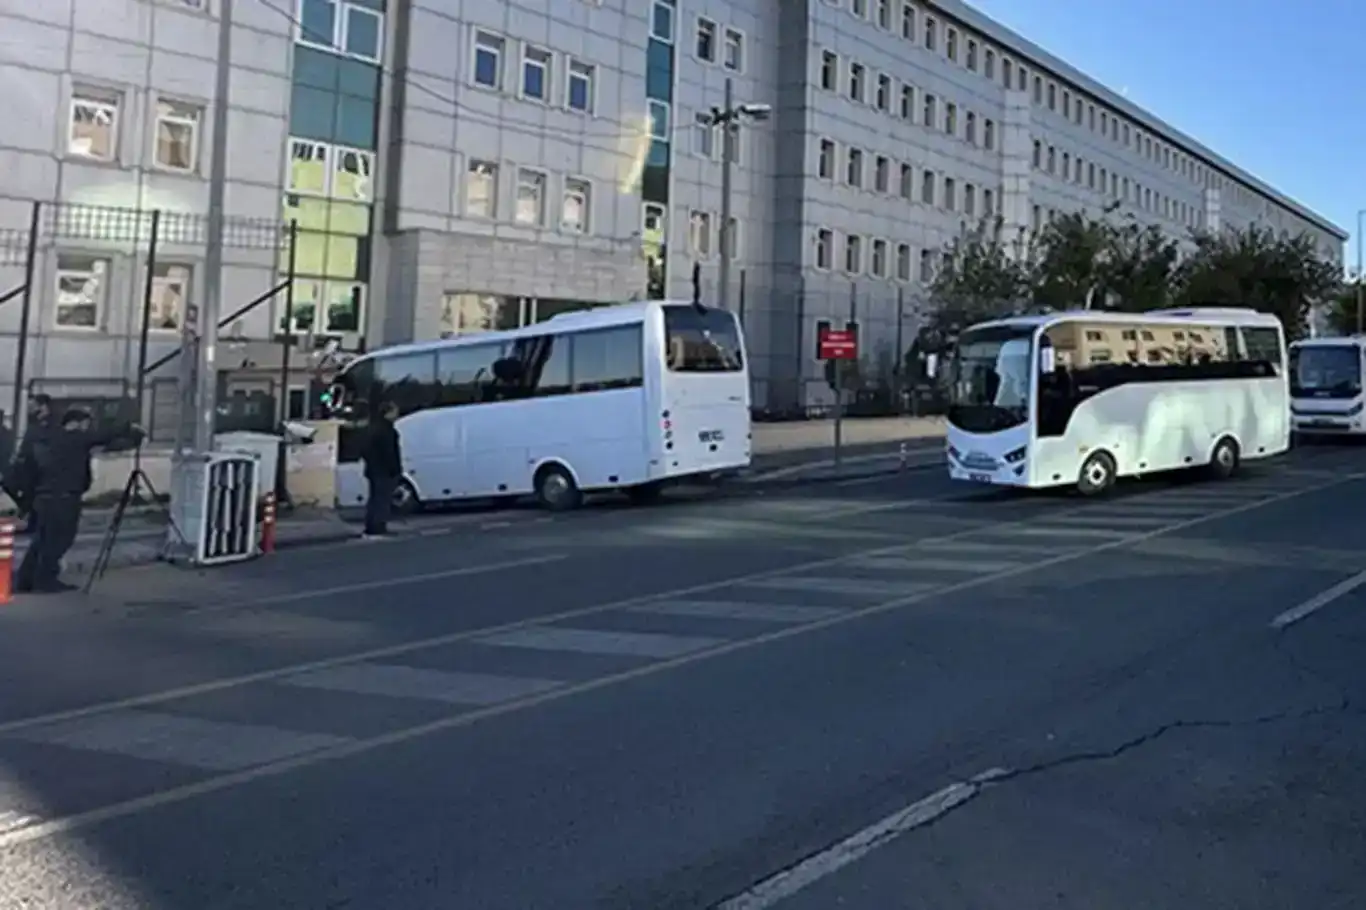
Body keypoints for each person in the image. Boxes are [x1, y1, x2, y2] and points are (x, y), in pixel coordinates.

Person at [13, 407, 142, 594]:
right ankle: (44, 580)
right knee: (59, 541)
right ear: (78, 423)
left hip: (44, 497)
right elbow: (103, 436)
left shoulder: (51, 438)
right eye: (86, 424)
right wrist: (128, 427)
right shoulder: (74, 438)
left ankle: (25, 580)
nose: (87, 429)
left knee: (41, 540)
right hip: (64, 498)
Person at [3, 394, 54, 537]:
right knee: (11, 484)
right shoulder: (35, 423)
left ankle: (34, 522)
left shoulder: (50, 424)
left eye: (33, 406)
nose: (31, 409)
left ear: (43, 406)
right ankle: (28, 515)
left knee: (35, 495)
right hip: (27, 465)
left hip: (39, 466)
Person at [361, 400, 402, 539]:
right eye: (395, 411)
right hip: (384, 471)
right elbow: (390, 453)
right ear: (387, 413)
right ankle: (379, 526)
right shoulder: (388, 431)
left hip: (373, 469)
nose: (397, 414)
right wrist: (396, 470)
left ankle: (371, 525)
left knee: (374, 498)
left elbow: (365, 450)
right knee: (383, 500)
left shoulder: (372, 428)